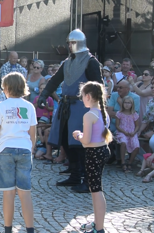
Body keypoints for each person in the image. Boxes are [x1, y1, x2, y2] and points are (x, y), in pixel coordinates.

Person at [38, 29, 103, 193]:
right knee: (67, 142)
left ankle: (88, 181)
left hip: (82, 107)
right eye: (68, 43)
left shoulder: (91, 62)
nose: (69, 46)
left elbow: (99, 87)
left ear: (79, 43)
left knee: (82, 144)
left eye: (72, 43)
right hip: (66, 107)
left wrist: (97, 110)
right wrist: (44, 94)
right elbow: (55, 80)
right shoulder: (67, 62)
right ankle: (75, 175)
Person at [0, 72, 36, 233]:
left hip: (5, 151)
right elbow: (33, 134)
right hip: (24, 149)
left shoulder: (0, 106)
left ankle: (7, 229)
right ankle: (30, 229)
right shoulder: (29, 107)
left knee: (8, 193)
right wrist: (31, 151)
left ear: (6, 88)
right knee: (25, 193)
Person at [72, 81, 113, 233]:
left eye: (82, 96)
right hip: (102, 150)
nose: (81, 99)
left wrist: (78, 135)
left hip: (94, 153)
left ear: (88, 96)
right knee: (96, 188)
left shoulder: (89, 115)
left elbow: (86, 140)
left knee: (96, 190)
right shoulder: (103, 112)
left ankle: (99, 227)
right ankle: (97, 221)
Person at [115, 96, 140, 172]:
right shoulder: (119, 113)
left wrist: (134, 132)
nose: (127, 104)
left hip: (132, 132)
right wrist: (124, 131)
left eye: (129, 103)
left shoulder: (134, 114)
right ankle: (123, 162)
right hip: (122, 132)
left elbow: (137, 125)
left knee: (136, 146)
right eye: (125, 102)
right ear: (123, 104)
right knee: (123, 142)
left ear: (132, 104)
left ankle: (130, 162)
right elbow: (117, 125)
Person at [33, 83, 53, 159]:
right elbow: (33, 108)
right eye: (40, 88)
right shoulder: (36, 98)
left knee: (40, 128)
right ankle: (35, 146)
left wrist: (47, 107)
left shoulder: (50, 99)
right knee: (35, 128)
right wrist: (37, 103)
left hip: (45, 117)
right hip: (37, 116)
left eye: (43, 89)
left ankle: (42, 141)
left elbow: (52, 109)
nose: (42, 90)